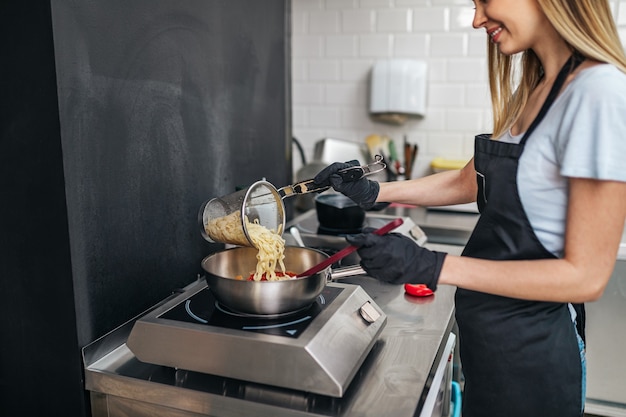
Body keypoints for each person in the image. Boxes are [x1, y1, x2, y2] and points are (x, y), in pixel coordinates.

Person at [313, 1, 626, 416]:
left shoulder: (598, 93)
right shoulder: (536, 89)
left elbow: (585, 277)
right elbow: (468, 181)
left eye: (484, 1)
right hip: (491, 347)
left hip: (533, 359)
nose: (477, 18)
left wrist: (433, 266)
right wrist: (373, 191)